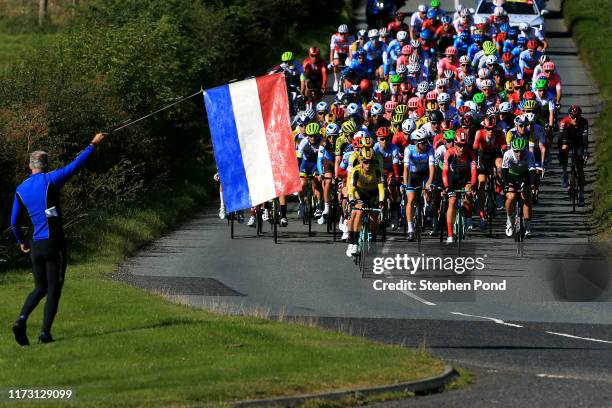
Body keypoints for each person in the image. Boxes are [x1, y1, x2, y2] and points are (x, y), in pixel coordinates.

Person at [11, 133, 106, 345]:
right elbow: (76, 165)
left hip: (35, 245)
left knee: (39, 288)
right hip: (55, 243)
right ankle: (45, 333)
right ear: (46, 165)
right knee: (53, 289)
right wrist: (93, 144)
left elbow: (14, 222)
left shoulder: (20, 189)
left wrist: (21, 242)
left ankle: (21, 319)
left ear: (30, 166)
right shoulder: (51, 179)